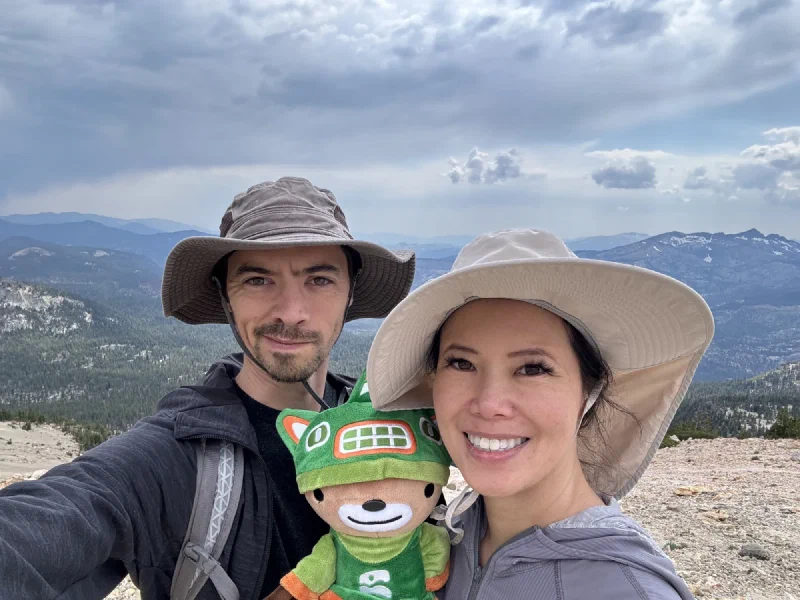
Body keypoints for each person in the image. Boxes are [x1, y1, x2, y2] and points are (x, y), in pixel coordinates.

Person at [0, 177, 416, 600]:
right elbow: (57, 515)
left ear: (350, 292)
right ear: (225, 297)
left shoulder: (394, 421)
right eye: (258, 280)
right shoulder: (175, 456)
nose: (292, 312)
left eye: (320, 279)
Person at [366, 229, 714, 599]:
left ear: (589, 391)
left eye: (532, 368)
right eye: (461, 363)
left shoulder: (625, 589)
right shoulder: (450, 536)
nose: (489, 403)